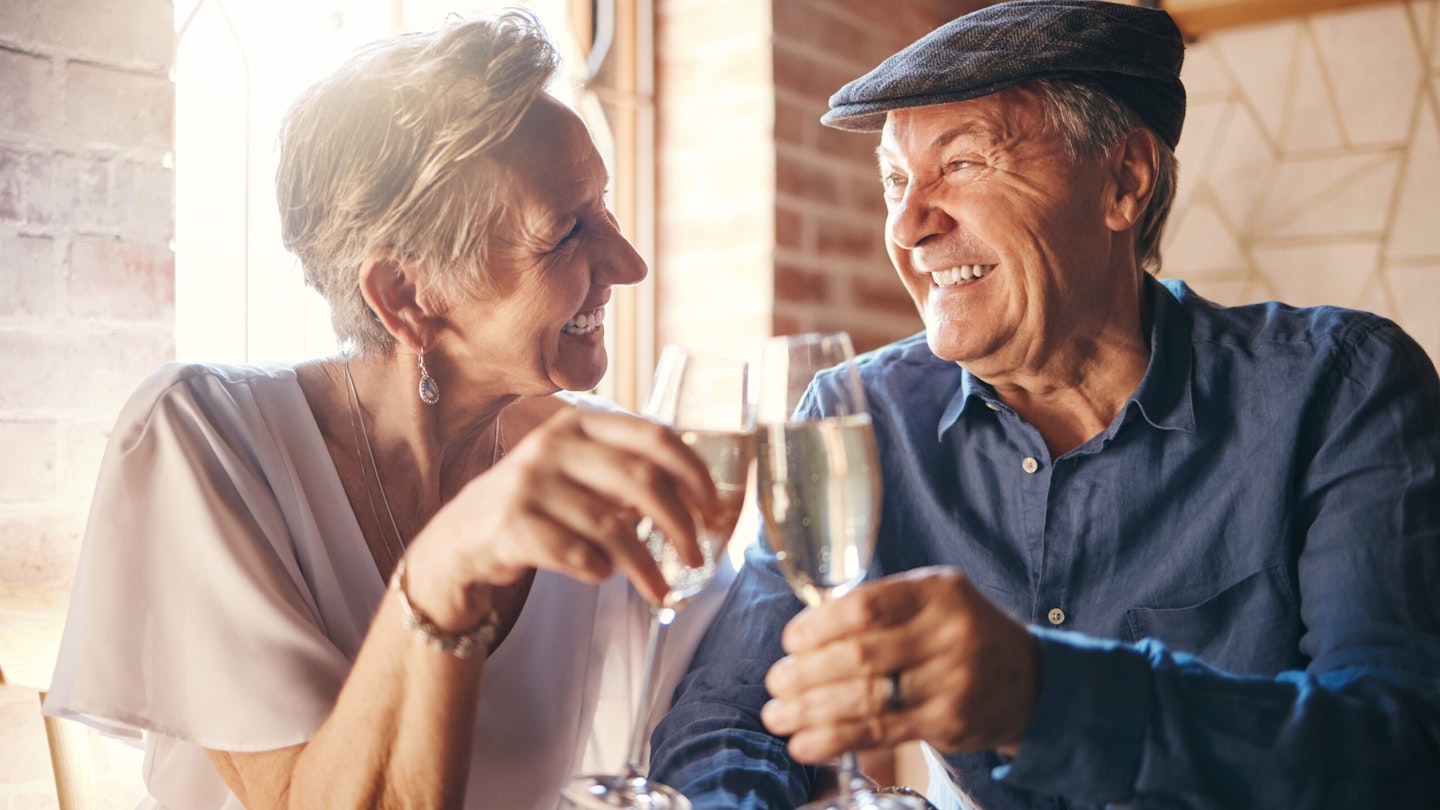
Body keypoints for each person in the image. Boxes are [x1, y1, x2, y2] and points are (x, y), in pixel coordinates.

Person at [650, 1, 1440, 808]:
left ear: (1124, 181)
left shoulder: (1340, 388)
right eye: (895, 179)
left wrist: (1042, 696)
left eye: (961, 164)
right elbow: (727, 715)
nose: (908, 224)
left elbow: (1402, 748)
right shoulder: (861, 417)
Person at [43, 13, 734, 810]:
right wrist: (449, 563)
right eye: (568, 230)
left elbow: (729, 717)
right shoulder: (201, 436)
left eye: (604, 207)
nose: (630, 262)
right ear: (405, 297)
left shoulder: (609, 463)